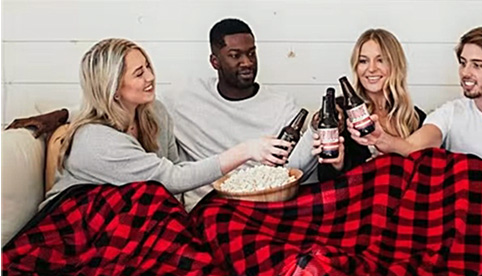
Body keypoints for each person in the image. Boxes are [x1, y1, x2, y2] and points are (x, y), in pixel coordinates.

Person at [42, 38, 291, 207]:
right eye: (139, 74)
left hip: (135, 221)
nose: (151, 77)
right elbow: (171, 179)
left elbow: (174, 175)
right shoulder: (97, 141)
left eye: (148, 66)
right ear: (112, 87)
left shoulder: (155, 112)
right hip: (78, 225)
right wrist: (247, 150)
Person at [162, 18, 317, 208]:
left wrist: (317, 128)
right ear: (214, 61)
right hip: (212, 207)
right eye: (235, 56)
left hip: (265, 203)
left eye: (251, 53)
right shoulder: (182, 100)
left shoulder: (280, 104)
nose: (247, 62)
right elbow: (142, 118)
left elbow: (295, 167)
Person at [348, 26, 482, 168]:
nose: (465, 73)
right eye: (463, 63)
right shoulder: (449, 114)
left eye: (477, 65)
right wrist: (381, 139)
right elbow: (412, 147)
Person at [312, 29, 426, 181]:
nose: (371, 68)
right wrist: (337, 163)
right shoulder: (340, 112)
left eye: (381, 60)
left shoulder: (415, 117)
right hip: (360, 201)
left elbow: (428, 169)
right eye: (363, 61)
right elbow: (325, 180)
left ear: (395, 65)